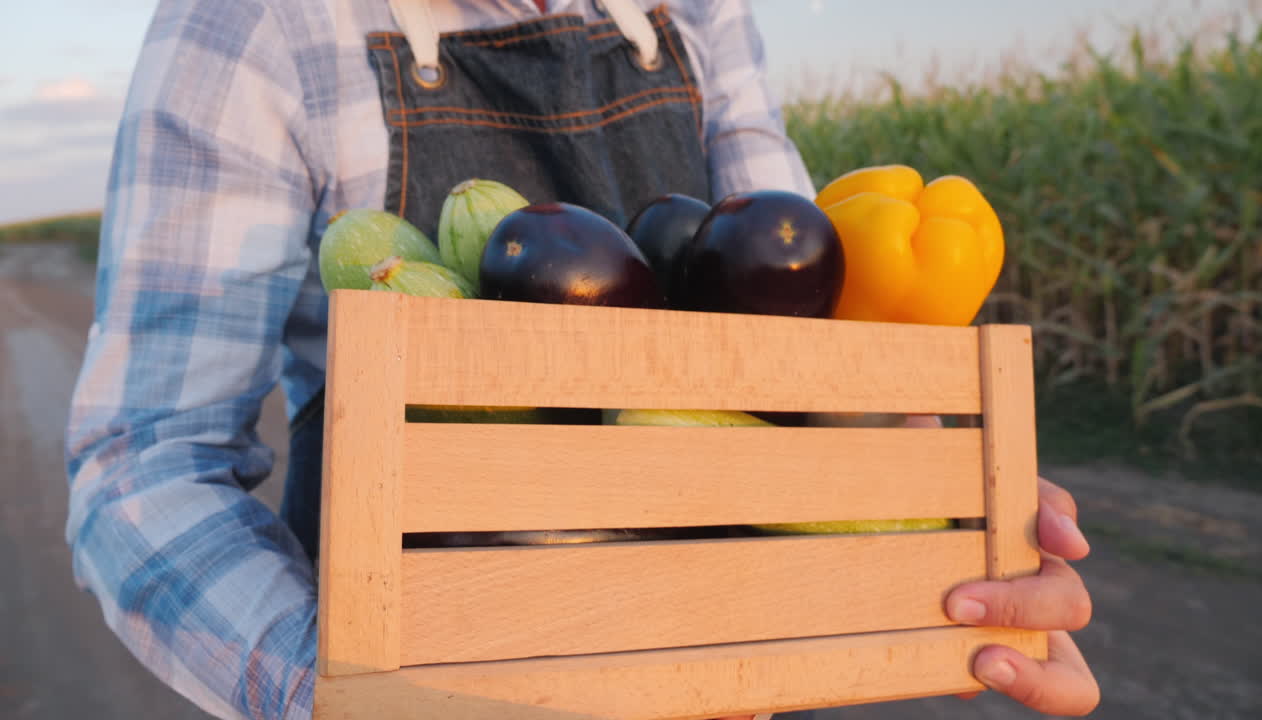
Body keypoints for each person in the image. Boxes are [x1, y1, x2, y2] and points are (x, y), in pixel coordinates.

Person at [63, 1, 1099, 718]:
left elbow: (800, 361)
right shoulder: (259, 25)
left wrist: (948, 519)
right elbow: (147, 462)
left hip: (727, 656)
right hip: (446, 646)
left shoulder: (691, 16)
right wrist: (358, 695)